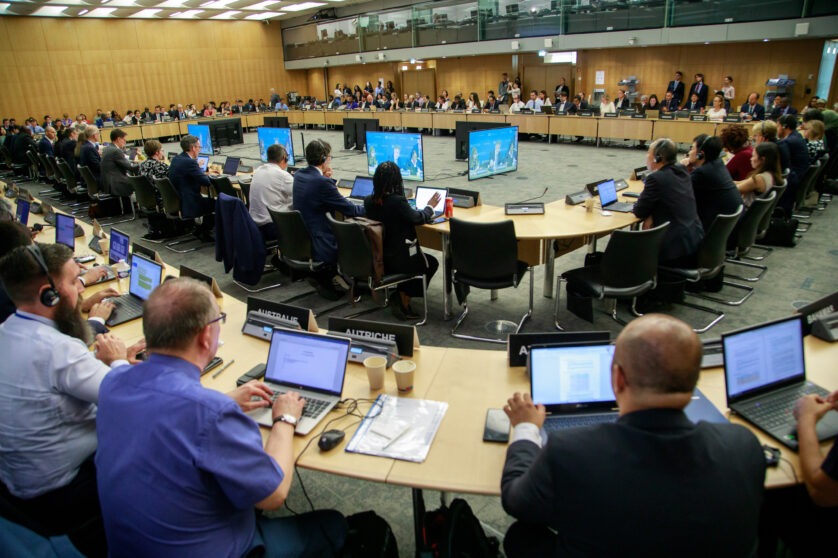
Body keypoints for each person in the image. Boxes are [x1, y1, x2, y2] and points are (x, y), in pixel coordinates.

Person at [94, 278, 347, 557]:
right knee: (337, 525)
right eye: (219, 320)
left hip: (128, 548)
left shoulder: (113, 381)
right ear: (205, 336)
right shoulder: (210, 412)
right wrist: (285, 419)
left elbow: (165, 412)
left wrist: (225, 399)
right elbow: (273, 496)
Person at [501, 314, 765, 558]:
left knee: (520, 537)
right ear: (695, 378)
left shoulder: (570, 451)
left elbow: (517, 502)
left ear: (618, 378)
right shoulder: (743, 445)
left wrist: (526, 428)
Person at [0, 242, 144, 556]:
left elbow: (57, 375)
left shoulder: (7, 331)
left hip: (20, 489)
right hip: (66, 494)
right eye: (72, 281)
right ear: (48, 295)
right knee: (156, 440)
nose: (80, 290)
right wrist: (119, 362)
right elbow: (133, 403)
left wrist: (104, 362)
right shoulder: (57, 350)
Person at [363, 162, 439, 320]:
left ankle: (401, 293)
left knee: (415, 260)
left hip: (379, 258)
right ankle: (403, 297)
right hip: (399, 260)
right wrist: (430, 208)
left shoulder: (369, 200)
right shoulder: (397, 202)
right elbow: (418, 218)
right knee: (430, 263)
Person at [292, 140, 363, 299]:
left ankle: (332, 277)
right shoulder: (322, 183)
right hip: (321, 242)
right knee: (359, 233)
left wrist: (326, 179)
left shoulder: (299, 175)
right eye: (330, 157)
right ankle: (361, 282)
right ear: (324, 159)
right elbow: (351, 210)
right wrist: (374, 207)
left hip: (303, 239)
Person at [633, 138, 704, 267]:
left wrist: (649, 213)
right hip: (692, 240)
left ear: (657, 158)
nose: (646, 156)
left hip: (673, 248)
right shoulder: (682, 170)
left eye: (649, 152)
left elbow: (639, 211)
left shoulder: (656, 178)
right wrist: (652, 213)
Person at [686, 135, 743, 232]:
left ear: (701, 154)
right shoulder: (718, 164)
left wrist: (682, 169)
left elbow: (680, 197)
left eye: (692, 148)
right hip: (728, 230)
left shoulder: (702, 173)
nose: (689, 152)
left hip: (715, 233)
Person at [168, 134, 215, 242]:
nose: (200, 150)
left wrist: (197, 170)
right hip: (189, 202)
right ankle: (205, 231)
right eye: (199, 147)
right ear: (193, 148)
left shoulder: (177, 159)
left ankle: (201, 229)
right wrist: (201, 172)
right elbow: (206, 182)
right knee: (219, 202)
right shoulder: (190, 162)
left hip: (178, 200)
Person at [249, 144, 293, 243]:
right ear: (284, 158)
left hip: (254, 224)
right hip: (271, 227)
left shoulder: (259, 171)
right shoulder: (283, 176)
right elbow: (299, 197)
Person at [776, 114, 810, 214]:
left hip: (793, 178)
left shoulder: (788, 141)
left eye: (778, 126)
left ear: (784, 126)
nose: (777, 130)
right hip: (799, 175)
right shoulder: (797, 135)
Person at [735, 141, 782, 208]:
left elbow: (733, 190)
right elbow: (741, 183)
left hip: (744, 213)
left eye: (753, 156)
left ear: (762, 159)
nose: (751, 159)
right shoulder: (771, 174)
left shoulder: (758, 179)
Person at [100, 128, 135, 198]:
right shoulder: (116, 151)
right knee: (141, 183)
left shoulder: (107, 148)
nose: (125, 142)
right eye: (124, 140)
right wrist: (141, 165)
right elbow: (130, 167)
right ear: (119, 139)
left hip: (108, 182)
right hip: (116, 183)